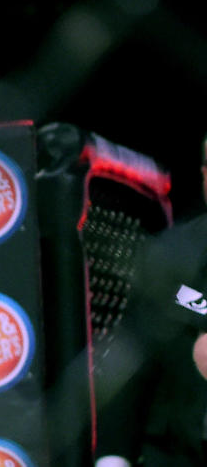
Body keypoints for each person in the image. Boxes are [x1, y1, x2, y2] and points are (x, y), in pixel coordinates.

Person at [94, 133, 207, 467]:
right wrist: (112, 457)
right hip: (174, 453)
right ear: (203, 176)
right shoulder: (174, 255)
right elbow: (129, 361)